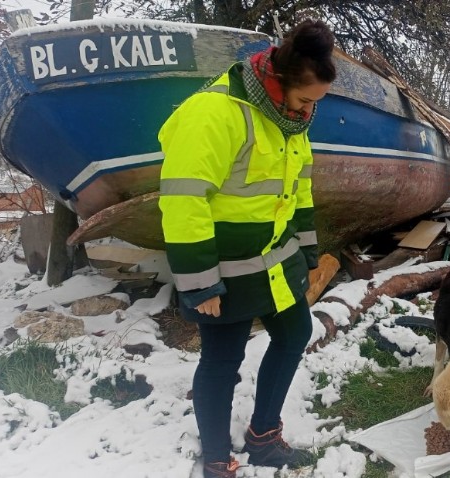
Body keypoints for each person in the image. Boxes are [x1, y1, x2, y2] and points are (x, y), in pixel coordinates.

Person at [158, 19, 336, 478]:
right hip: (224, 269)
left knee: (295, 333)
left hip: (276, 262)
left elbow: (300, 193)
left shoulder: (289, 121)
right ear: (278, 80)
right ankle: (217, 459)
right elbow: (183, 197)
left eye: (314, 103)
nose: (307, 112)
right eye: (304, 99)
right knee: (222, 359)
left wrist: (308, 252)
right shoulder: (215, 112)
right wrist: (200, 283)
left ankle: (263, 435)